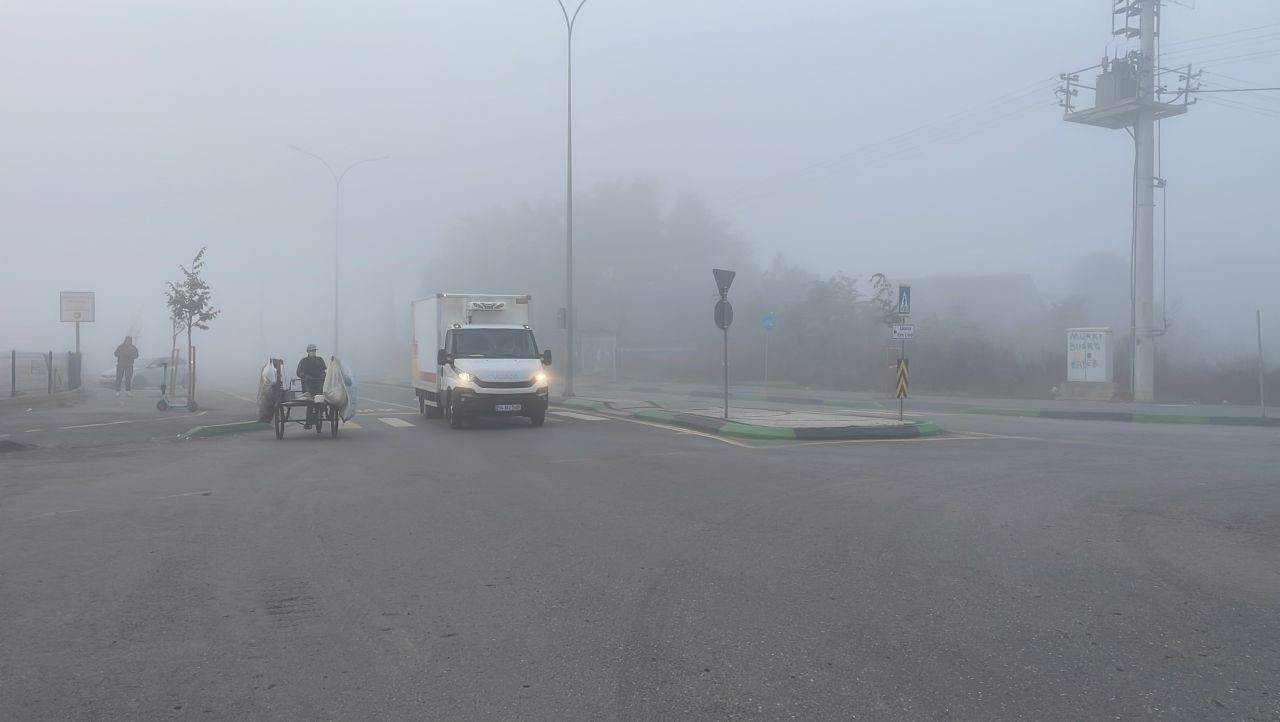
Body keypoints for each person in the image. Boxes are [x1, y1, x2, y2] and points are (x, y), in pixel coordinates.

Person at [296, 344, 327, 429]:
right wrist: (305, 376)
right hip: (308, 384)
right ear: (308, 352)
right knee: (310, 402)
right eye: (311, 351)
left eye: (314, 351)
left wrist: (323, 375)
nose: (313, 352)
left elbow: (324, 371)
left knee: (320, 399)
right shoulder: (303, 361)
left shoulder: (320, 360)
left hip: (319, 383)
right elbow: (298, 372)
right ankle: (309, 421)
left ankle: (322, 410)